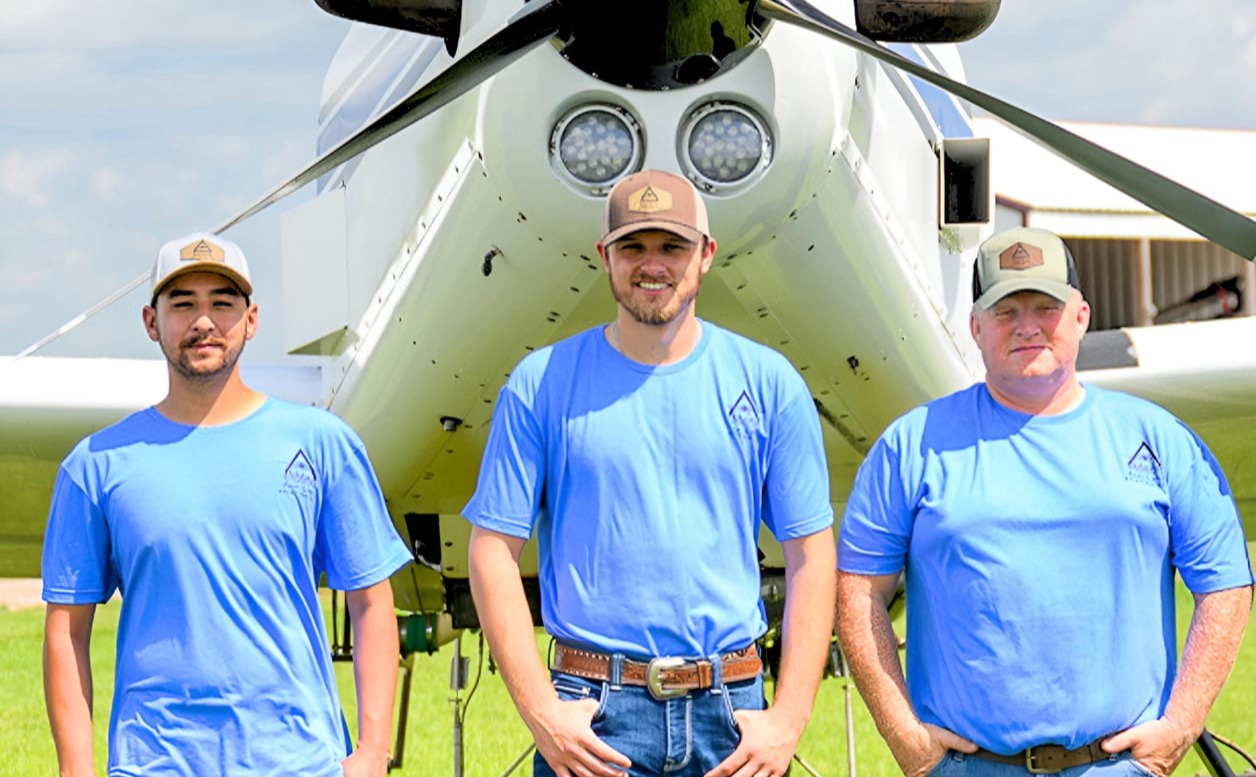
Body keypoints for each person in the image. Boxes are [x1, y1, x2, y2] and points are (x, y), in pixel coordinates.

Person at [836, 226, 1254, 777]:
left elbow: (1225, 584)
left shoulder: (1160, 439)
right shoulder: (911, 446)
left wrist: (1180, 724)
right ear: (975, 327)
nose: (1027, 325)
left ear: (1081, 317)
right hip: (968, 769)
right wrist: (906, 736)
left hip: (1118, 768)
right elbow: (859, 593)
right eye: (1005, 310)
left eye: (1046, 307)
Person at [464, 169, 837, 777]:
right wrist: (541, 711)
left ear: (706, 254)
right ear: (604, 256)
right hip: (594, 718)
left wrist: (789, 718)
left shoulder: (770, 385)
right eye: (633, 246)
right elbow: (492, 552)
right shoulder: (541, 384)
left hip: (732, 716)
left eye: (672, 246)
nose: (653, 264)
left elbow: (812, 555)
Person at [41, 232, 414, 777]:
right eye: (182, 304)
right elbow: (66, 630)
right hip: (156, 763)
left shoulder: (322, 443)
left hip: (300, 762)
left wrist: (373, 752)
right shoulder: (96, 464)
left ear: (251, 319)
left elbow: (372, 601)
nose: (204, 321)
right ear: (150, 322)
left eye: (222, 303)